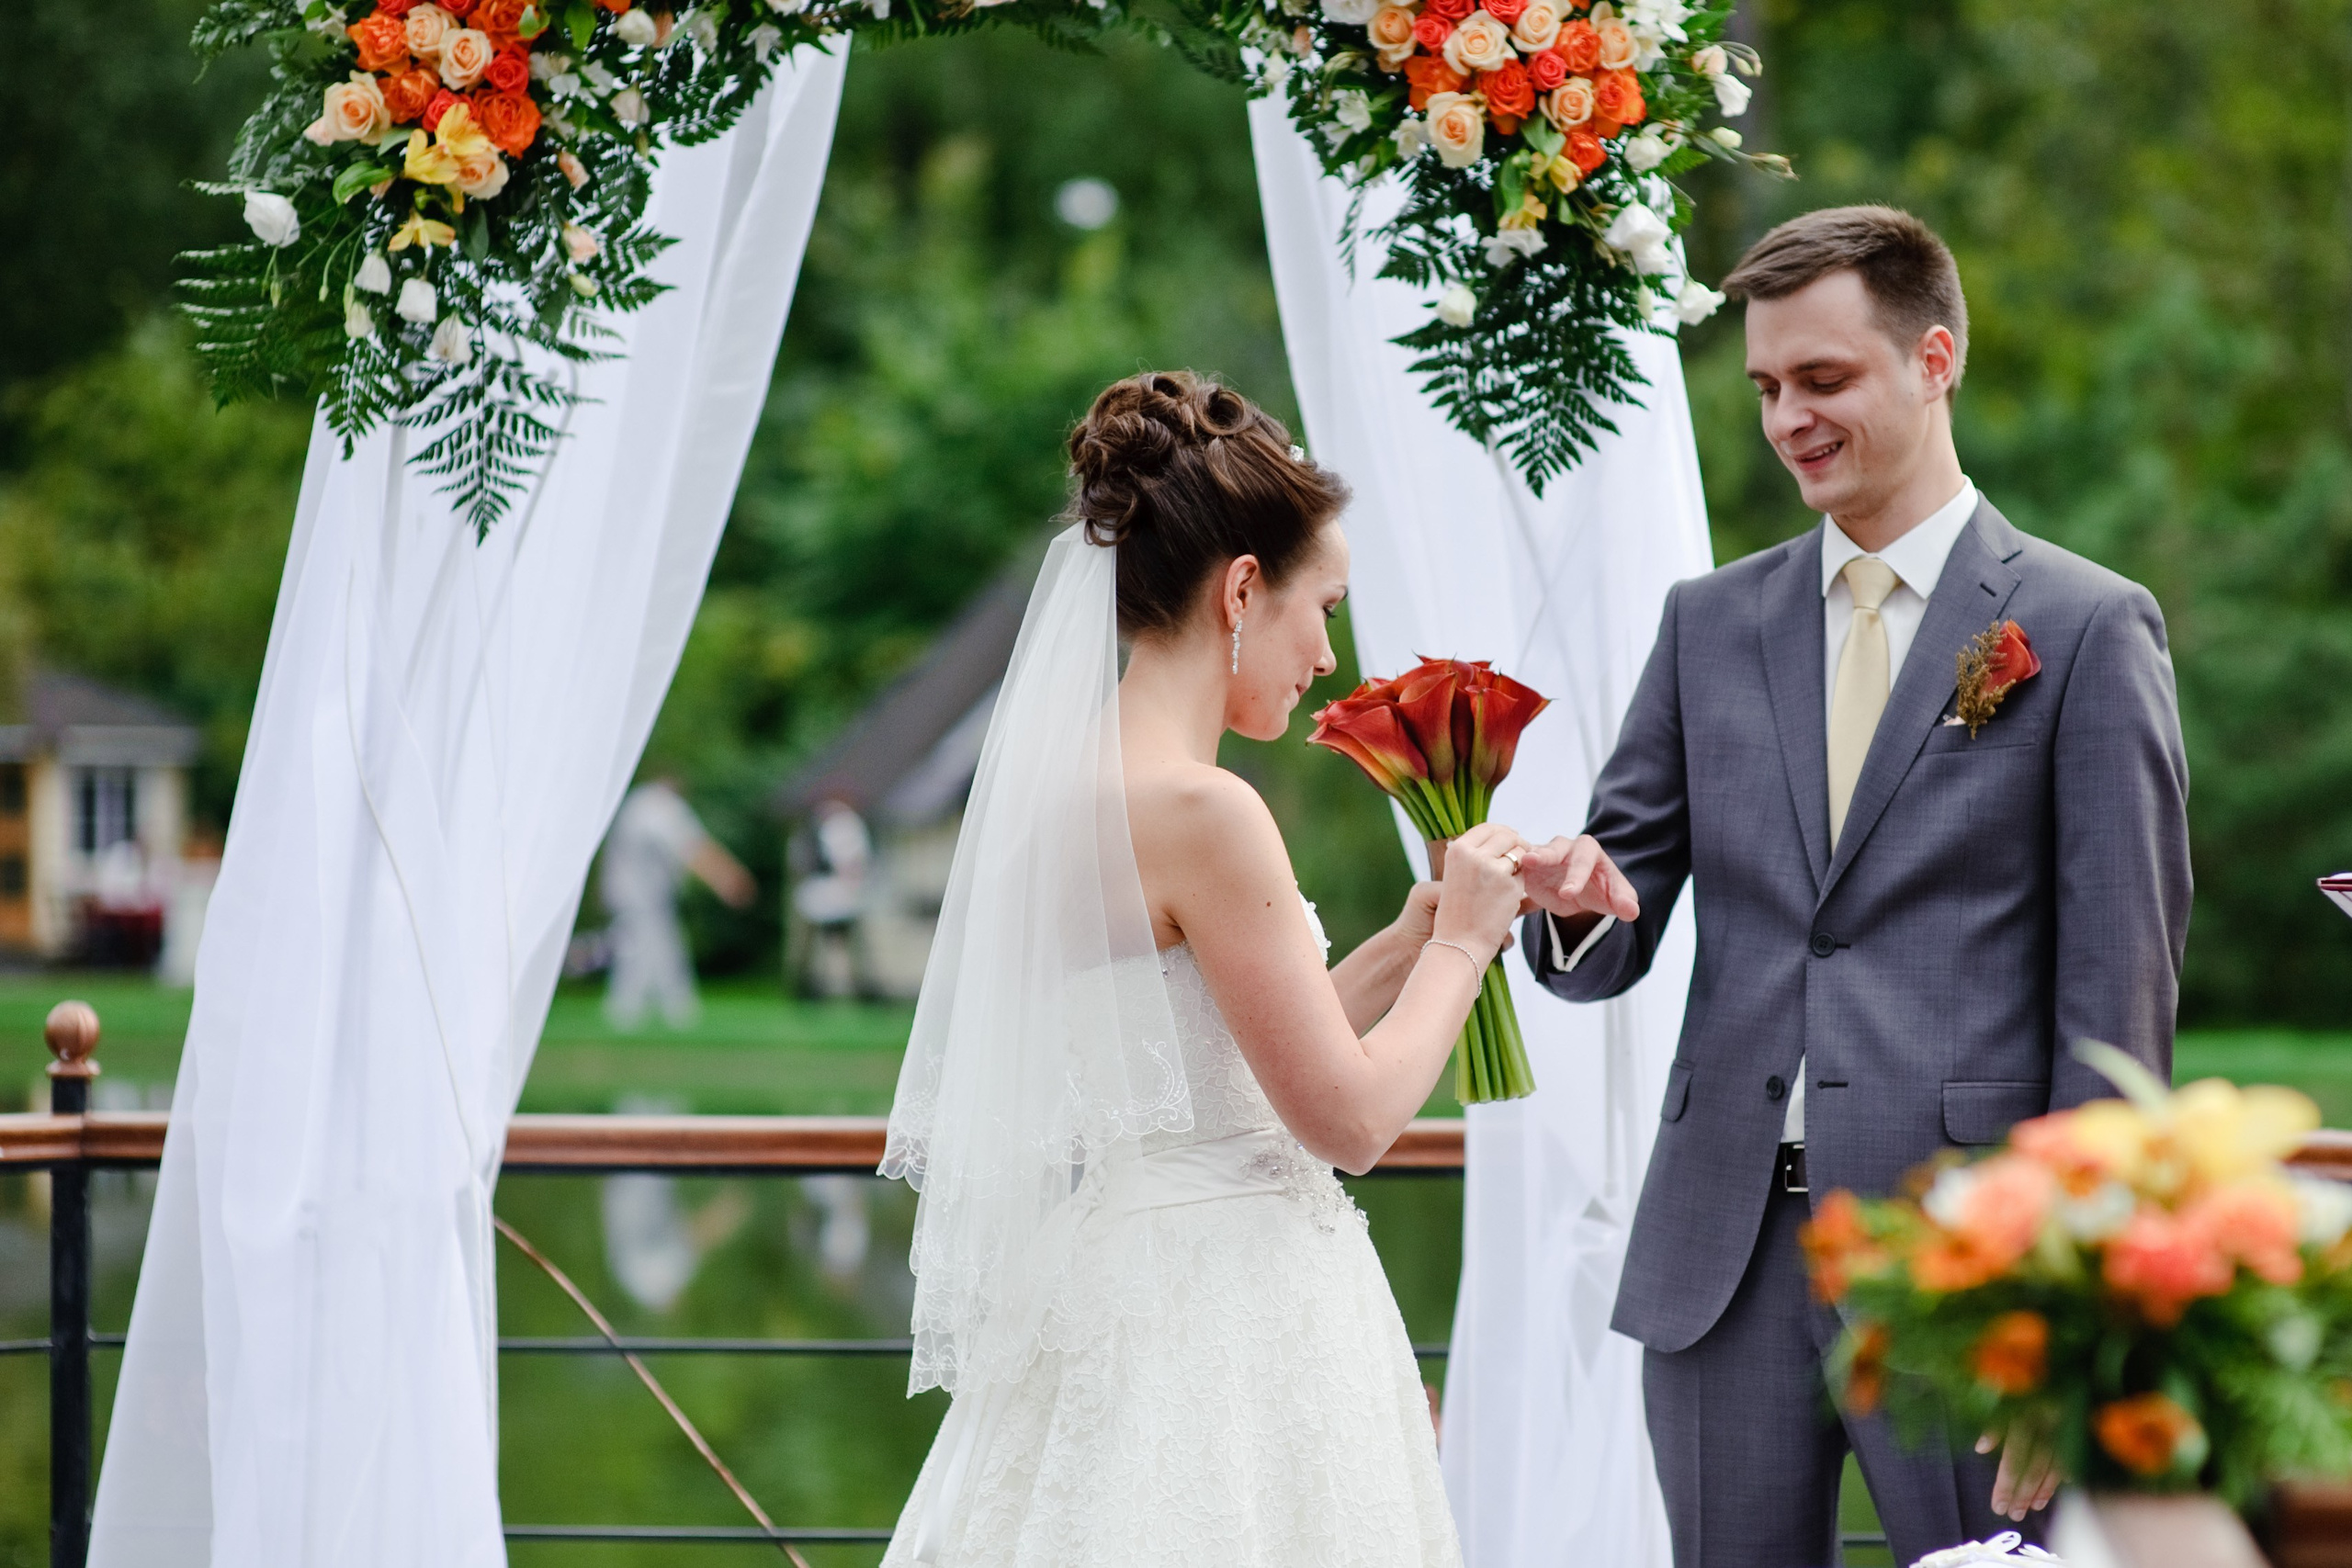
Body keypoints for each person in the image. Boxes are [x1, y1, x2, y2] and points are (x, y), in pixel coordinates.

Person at [1514, 206, 2194, 1567]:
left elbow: (2116, 1002)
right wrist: (1564, 898)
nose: (1787, 420)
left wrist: (2075, 1309)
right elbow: (1610, 917)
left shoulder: (2084, 625)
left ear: (1934, 359)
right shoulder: (1708, 622)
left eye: (1822, 379)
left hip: (1970, 1266)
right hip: (1721, 1262)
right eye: (1767, 387)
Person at [876, 372, 1528, 1566]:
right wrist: (1464, 943)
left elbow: (1212, 1061)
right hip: (1227, 1313)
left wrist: (1406, 940)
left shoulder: (1059, 790)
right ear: (1240, 590)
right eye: (1321, 608)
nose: (1325, 655)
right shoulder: (1204, 809)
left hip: (1115, 1282)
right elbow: (1349, 1120)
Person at [598, 774, 756, 1029]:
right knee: (650, 952)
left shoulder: (641, 804)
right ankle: (666, 1011)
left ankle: (645, 1011)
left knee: (648, 953)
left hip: (637, 896)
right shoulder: (656, 807)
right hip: (642, 898)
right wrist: (726, 879)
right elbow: (691, 847)